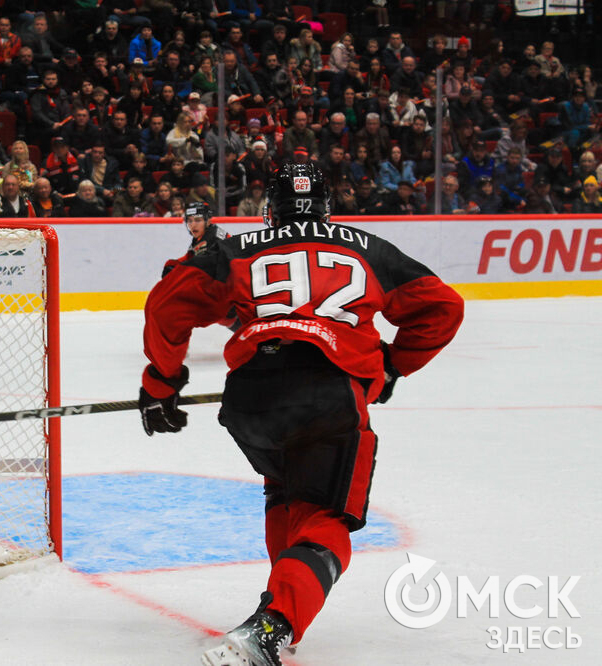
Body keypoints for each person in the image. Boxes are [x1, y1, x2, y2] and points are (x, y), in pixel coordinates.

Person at [138, 162, 464, 666]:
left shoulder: (237, 248)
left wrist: (161, 383)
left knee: (286, 490)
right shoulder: (366, 247)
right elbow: (443, 307)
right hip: (329, 394)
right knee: (324, 517)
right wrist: (393, 365)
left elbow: (166, 304)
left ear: (270, 210)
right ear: (327, 208)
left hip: (250, 400)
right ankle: (274, 624)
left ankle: (279, 608)